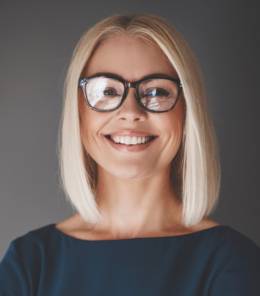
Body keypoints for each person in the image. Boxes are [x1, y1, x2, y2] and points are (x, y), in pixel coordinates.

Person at [0, 13, 259, 295]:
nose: (131, 112)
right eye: (107, 91)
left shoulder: (233, 261)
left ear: (187, 112)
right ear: (79, 113)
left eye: (157, 91)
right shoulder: (29, 262)